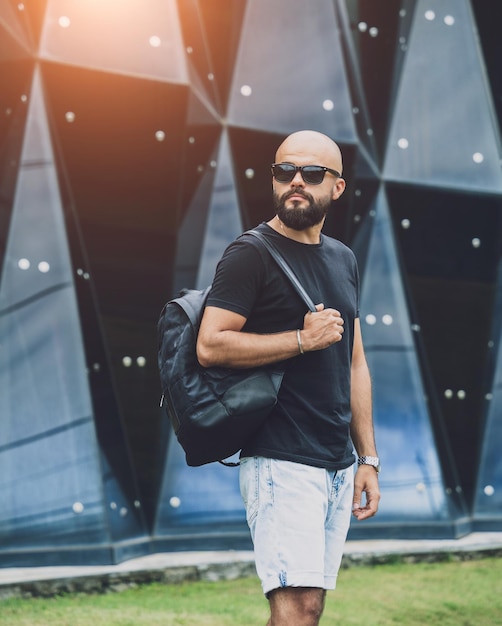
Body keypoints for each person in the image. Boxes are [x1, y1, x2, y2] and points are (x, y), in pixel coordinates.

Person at [197, 130, 380, 626]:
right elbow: (211, 344)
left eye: (312, 173)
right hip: (280, 456)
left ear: (336, 187)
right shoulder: (250, 253)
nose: (296, 182)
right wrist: (299, 340)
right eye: (285, 171)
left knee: (310, 606)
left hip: (335, 460)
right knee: (295, 606)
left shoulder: (343, 259)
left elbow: (354, 361)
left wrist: (367, 457)